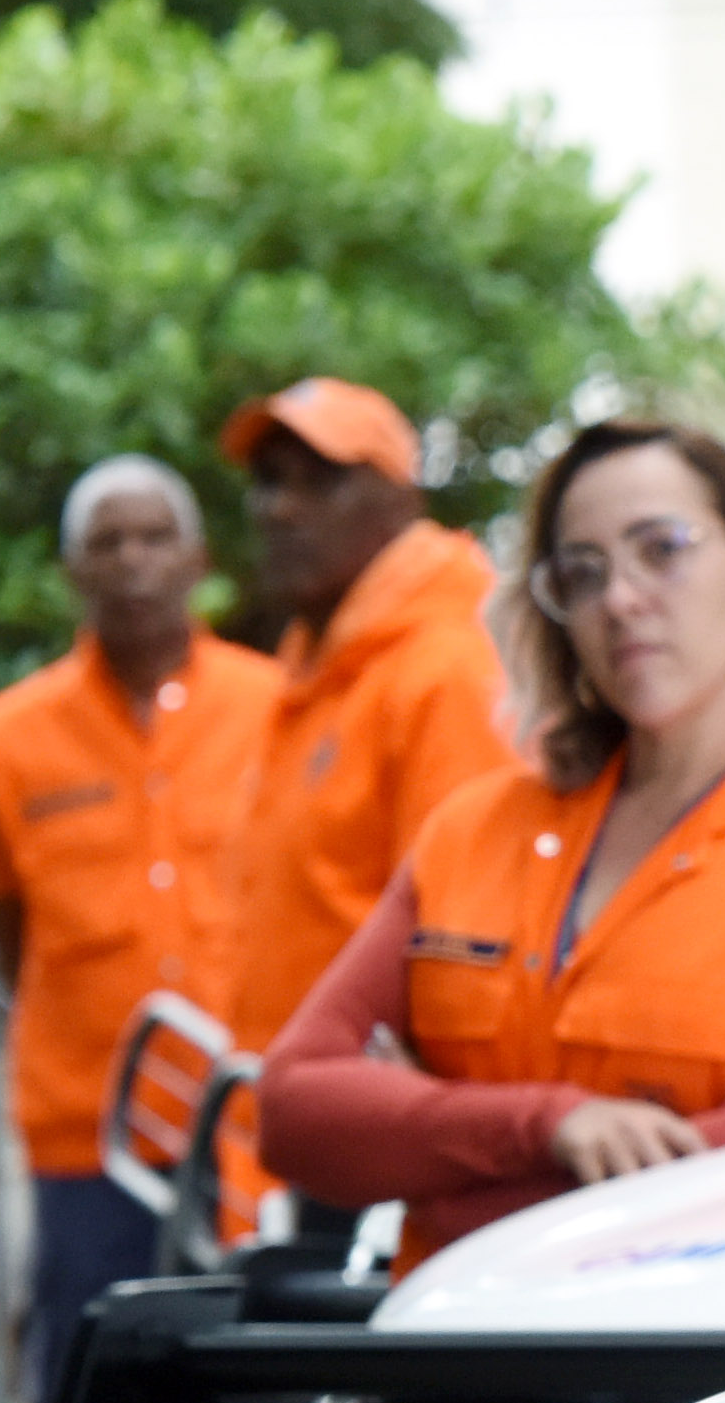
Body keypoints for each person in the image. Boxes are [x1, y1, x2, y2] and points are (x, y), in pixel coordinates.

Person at [258, 420, 725, 1263]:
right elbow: (294, 1110)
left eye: (661, 550)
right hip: (435, 1366)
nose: (622, 599)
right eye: (583, 573)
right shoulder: (475, 831)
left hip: (690, 1376)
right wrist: (545, 1126)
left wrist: (429, 1163)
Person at [0, 455, 276, 1403]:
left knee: (247, 1385)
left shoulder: (280, 709)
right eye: (107, 542)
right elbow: (3, 923)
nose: (132, 560)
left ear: (197, 559)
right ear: (71, 572)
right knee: (92, 1391)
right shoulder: (3, 743)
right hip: (89, 1126)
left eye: (154, 537)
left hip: (251, 1120)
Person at [215, 378, 512, 1074]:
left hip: (369, 1125)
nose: (280, 508)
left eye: (320, 482)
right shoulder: (311, 668)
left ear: (399, 501)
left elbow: (459, 948)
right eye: (267, 481)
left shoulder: (445, 670)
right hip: (290, 1117)